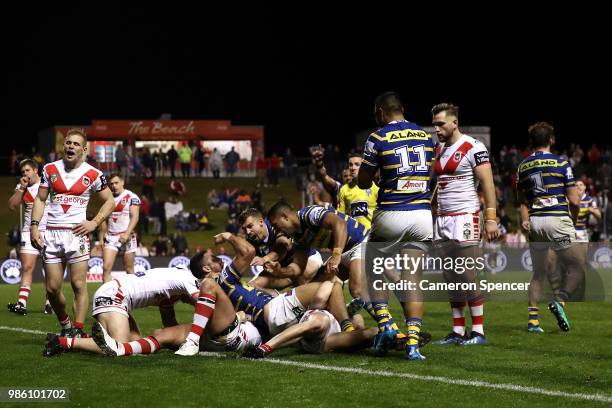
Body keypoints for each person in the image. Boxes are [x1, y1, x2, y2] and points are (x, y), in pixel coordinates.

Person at [174, 232, 354, 356]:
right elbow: (248, 251)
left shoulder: (215, 292)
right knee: (330, 282)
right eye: (213, 259)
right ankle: (338, 318)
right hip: (274, 310)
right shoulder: (222, 280)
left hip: (267, 323)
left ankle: (339, 319)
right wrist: (229, 236)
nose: (219, 259)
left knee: (329, 306)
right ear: (207, 268)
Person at [358, 92, 435, 360]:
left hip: (392, 213)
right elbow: (430, 174)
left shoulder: (377, 138)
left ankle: (386, 326)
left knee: (373, 266)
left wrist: (381, 175)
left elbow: (363, 182)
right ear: (402, 109)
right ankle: (413, 344)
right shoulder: (426, 136)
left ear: (380, 112)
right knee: (413, 280)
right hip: (422, 216)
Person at [30, 128, 115, 337]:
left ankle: (77, 330)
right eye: (68, 143)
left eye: (76, 144)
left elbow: (110, 201)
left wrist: (94, 222)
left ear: (83, 149)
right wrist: (34, 226)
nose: (70, 146)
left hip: (77, 236)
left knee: (78, 284)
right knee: (52, 288)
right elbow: (40, 199)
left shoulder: (93, 174)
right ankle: (65, 324)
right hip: (52, 234)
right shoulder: (49, 169)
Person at [429, 103, 499, 346]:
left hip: (466, 216)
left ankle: (478, 331)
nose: (436, 128)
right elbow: (440, 184)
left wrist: (491, 219)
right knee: (451, 276)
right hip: (443, 219)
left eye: (440, 124)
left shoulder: (473, 146)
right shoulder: (438, 149)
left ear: (454, 122)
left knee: (468, 275)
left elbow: (488, 185)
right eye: (434, 124)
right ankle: (457, 331)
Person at [42, 265, 201, 357]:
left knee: (136, 344)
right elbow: (202, 303)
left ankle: (91, 338)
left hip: (116, 295)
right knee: (120, 346)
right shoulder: (187, 278)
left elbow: (170, 325)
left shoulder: (172, 287)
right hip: (114, 295)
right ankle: (62, 342)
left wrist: (177, 338)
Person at [517, 122, 584, 333]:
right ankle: (560, 302)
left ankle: (533, 321)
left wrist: (524, 219)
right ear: (551, 140)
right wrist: (571, 220)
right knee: (577, 267)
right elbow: (574, 201)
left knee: (538, 273)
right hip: (557, 220)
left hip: (536, 223)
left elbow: (521, 201)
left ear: (531, 141)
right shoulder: (562, 164)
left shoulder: (523, 166)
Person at [6, 158, 52, 315]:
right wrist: (21, 188)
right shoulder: (22, 187)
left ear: (35, 170)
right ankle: (21, 303)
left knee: (49, 269)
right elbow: (12, 206)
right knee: (27, 267)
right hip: (28, 232)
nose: (25, 174)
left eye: (27, 170)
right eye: (22, 172)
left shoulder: (47, 185)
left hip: (49, 231)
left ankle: (49, 303)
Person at [239, 208, 323, 290]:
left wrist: (265, 259)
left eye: (250, 226)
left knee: (303, 275)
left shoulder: (275, 225)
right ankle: (276, 299)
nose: (248, 232)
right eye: (244, 229)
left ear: (261, 222)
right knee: (252, 286)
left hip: (307, 259)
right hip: (281, 270)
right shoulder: (251, 240)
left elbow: (283, 247)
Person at [98, 173, 140, 283]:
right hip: (111, 237)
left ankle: (133, 298)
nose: (114, 186)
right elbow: (103, 219)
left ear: (122, 182)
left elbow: (135, 217)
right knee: (106, 268)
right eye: (111, 184)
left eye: (116, 183)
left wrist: (127, 233)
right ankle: (106, 296)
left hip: (127, 236)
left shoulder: (131, 197)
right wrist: (101, 237)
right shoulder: (108, 199)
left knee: (129, 269)